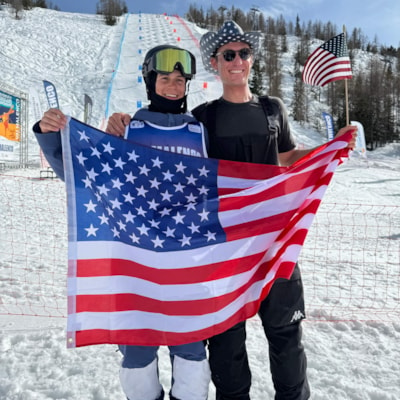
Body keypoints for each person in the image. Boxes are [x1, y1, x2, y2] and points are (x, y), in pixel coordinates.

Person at [105, 22, 357, 400]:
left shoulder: (273, 108)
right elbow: (166, 142)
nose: (237, 61)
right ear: (215, 62)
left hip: (275, 240)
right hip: (223, 248)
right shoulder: (204, 117)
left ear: (251, 60)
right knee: (226, 343)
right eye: (228, 55)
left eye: (243, 53)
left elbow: (287, 157)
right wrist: (122, 124)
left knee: (287, 336)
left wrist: (330, 147)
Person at [33, 44, 211, 400]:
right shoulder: (127, 129)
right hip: (136, 267)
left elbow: (238, 180)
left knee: (191, 352)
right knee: (137, 355)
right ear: (150, 81)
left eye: (180, 79)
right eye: (164, 78)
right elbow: (83, 174)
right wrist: (51, 133)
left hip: (187, 263)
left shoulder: (201, 131)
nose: (173, 85)